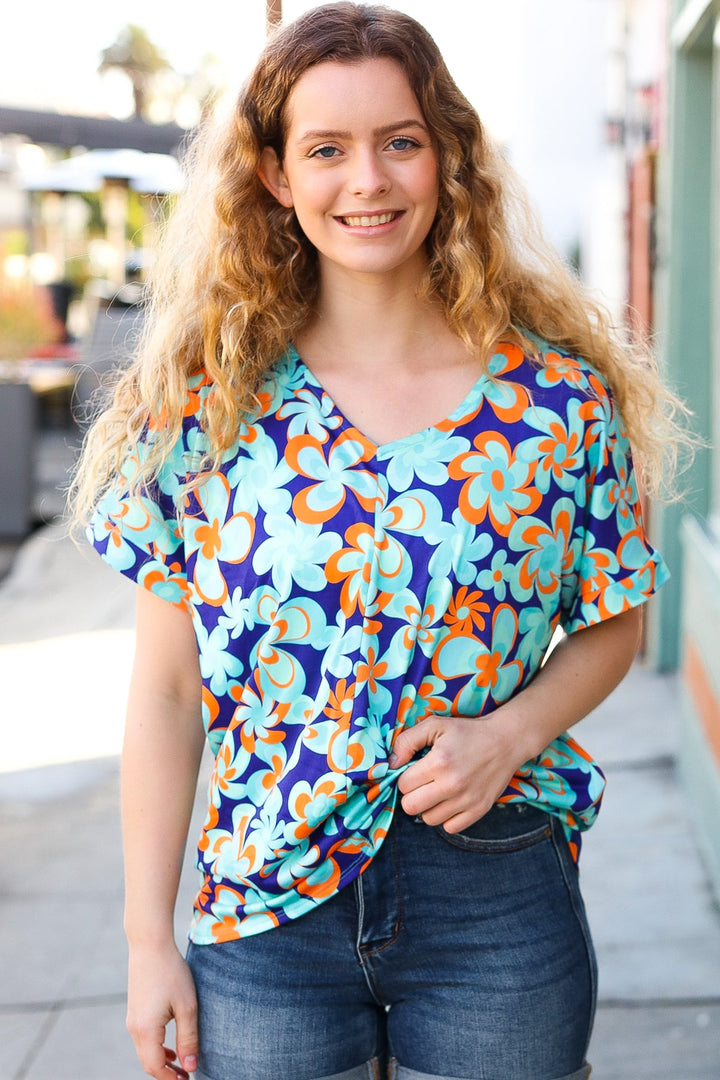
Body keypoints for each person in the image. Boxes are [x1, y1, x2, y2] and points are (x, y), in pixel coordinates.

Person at [70, 5, 690, 1079]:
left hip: (494, 893)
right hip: (263, 912)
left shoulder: (554, 405)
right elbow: (168, 696)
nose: (369, 180)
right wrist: (143, 944)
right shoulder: (203, 412)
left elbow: (614, 621)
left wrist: (508, 735)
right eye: (327, 149)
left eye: (400, 140)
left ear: (446, 155)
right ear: (273, 175)